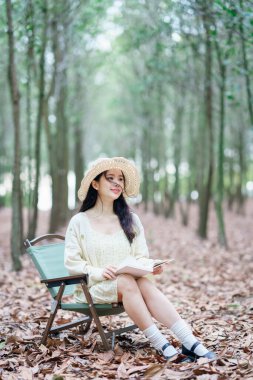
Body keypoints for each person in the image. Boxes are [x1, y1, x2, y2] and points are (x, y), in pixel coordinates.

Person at [64, 157, 216, 362]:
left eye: (121, 179)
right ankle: (162, 344)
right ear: (95, 183)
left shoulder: (131, 219)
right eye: (110, 178)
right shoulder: (79, 222)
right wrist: (98, 271)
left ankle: (189, 342)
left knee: (142, 281)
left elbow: (140, 256)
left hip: (129, 284)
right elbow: (72, 263)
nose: (117, 183)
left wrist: (149, 267)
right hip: (92, 288)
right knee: (127, 281)